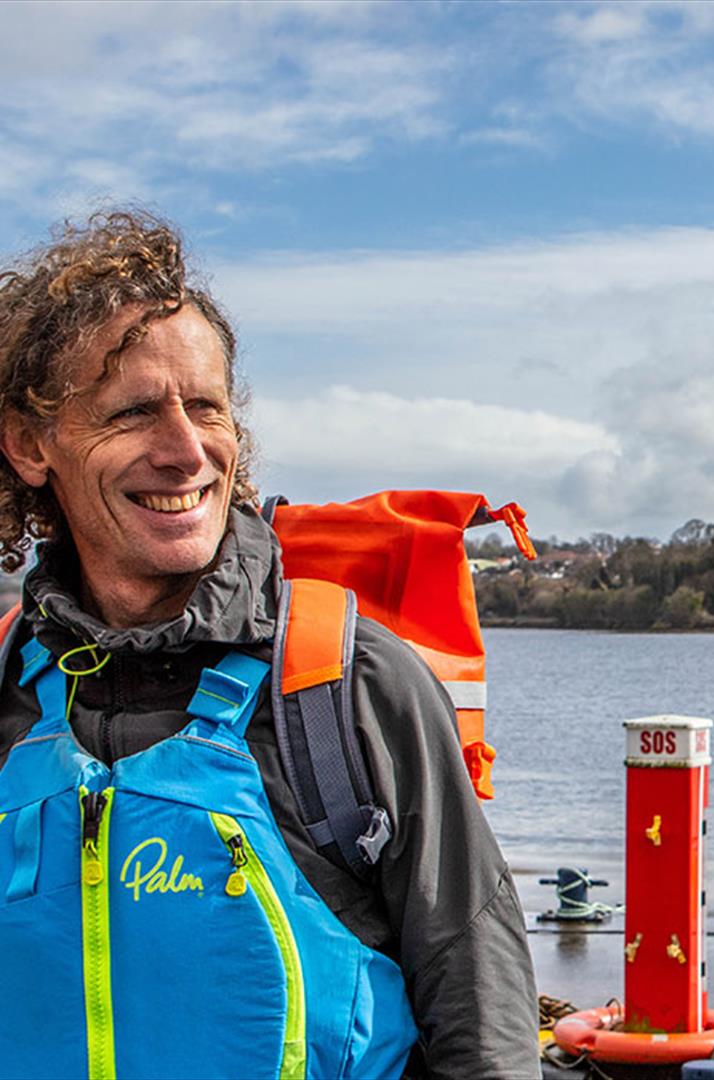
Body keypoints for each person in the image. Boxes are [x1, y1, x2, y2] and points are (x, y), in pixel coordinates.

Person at [0, 211, 539, 1077]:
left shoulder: (349, 687)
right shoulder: (6, 692)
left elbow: (484, 1022)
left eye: (206, 407)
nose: (186, 451)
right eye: (134, 411)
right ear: (31, 444)